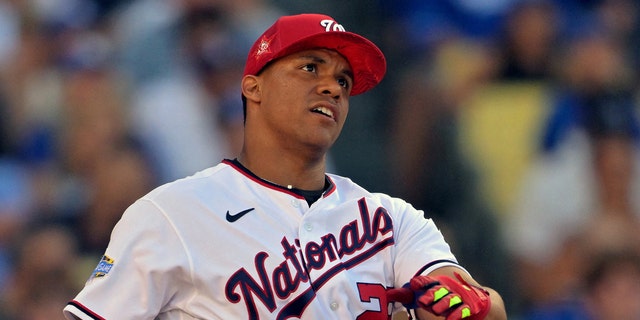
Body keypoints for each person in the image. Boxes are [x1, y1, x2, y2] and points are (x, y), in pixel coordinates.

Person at [62, 13, 507, 320]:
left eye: (343, 81)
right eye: (310, 68)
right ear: (253, 88)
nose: (332, 88)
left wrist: (462, 302)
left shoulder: (392, 219)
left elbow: (485, 306)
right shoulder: (170, 215)